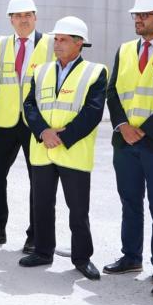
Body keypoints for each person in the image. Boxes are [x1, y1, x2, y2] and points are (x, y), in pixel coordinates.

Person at [20, 16, 106, 281]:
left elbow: (93, 112)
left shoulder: (95, 71)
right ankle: (43, 251)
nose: (56, 44)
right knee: (42, 204)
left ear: (79, 43)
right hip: (43, 149)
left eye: (63, 40)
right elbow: (30, 105)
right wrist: (43, 132)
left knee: (78, 209)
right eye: (56, 39)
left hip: (73, 152)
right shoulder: (41, 70)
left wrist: (62, 138)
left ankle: (82, 257)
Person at [104, 0, 153, 285]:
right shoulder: (124, 51)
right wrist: (122, 125)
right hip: (125, 142)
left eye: (144, 15)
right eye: (136, 15)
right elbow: (113, 92)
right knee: (130, 202)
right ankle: (131, 257)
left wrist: (145, 129)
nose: (138, 19)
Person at [0, 0, 53, 252]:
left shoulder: (49, 44)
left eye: (27, 15)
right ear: (10, 19)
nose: (23, 20)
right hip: (6, 121)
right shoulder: (2, 45)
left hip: (35, 124)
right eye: (17, 16)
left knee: (38, 180)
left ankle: (35, 235)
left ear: (35, 17)